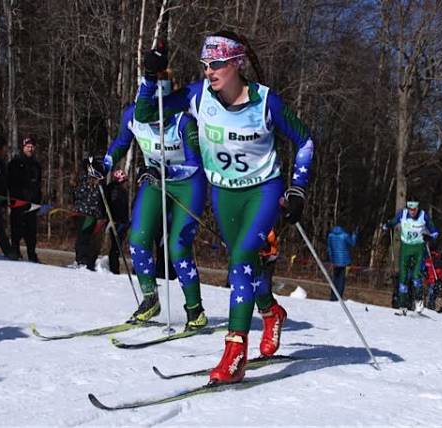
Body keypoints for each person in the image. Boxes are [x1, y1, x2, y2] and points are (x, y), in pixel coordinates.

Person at [134, 31, 315, 384]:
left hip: (262, 192)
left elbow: (304, 139)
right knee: (247, 267)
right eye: (204, 65)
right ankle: (271, 311)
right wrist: (150, 76)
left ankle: (234, 354)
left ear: (237, 63)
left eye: (216, 64)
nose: (209, 72)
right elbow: (144, 112)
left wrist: (299, 189)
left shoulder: (265, 102)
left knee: (241, 260)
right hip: (224, 193)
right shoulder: (198, 96)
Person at [102, 94, 207, 329]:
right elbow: (121, 143)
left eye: (159, 118)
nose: (155, 123)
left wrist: (167, 173)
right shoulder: (132, 116)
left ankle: (195, 310)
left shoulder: (183, 122)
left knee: (177, 246)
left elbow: (194, 163)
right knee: (138, 238)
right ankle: (150, 299)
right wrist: (104, 164)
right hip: (154, 179)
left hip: (188, 183)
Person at [383, 198, 439, 315]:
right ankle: (402, 306)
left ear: (417, 208)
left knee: (415, 276)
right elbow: (393, 222)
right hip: (405, 248)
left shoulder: (424, 216)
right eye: (410, 209)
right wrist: (387, 225)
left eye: (414, 209)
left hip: (418, 248)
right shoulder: (402, 214)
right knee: (403, 277)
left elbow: (435, 232)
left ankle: (419, 301)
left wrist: (429, 237)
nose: (412, 212)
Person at [8, 137, 42, 262]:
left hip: (32, 202)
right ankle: (15, 251)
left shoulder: (37, 165)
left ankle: (32, 254)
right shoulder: (15, 162)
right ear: (23, 147)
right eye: (28, 146)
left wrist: (38, 200)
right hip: (18, 201)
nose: (30, 148)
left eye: (32, 146)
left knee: (31, 231)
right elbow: (10, 182)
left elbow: (38, 183)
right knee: (16, 228)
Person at [71, 158, 105, 271]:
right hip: (84, 213)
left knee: (90, 239)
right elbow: (77, 195)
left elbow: (98, 199)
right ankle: (81, 260)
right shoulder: (82, 180)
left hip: (93, 214)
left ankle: (88, 261)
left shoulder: (97, 183)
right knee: (83, 237)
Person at [104, 169, 129, 275]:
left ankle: (115, 267)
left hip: (121, 221)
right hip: (116, 221)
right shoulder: (113, 189)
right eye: (124, 181)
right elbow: (114, 205)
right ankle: (114, 268)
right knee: (115, 246)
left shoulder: (121, 190)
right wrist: (113, 220)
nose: (125, 183)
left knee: (117, 246)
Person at [327, 226, 358, 301]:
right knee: (341, 280)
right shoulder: (345, 235)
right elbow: (352, 243)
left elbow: (329, 248)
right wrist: (354, 235)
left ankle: (333, 296)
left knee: (335, 279)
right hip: (344, 261)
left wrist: (331, 259)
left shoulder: (330, 236)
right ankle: (338, 297)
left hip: (335, 261)